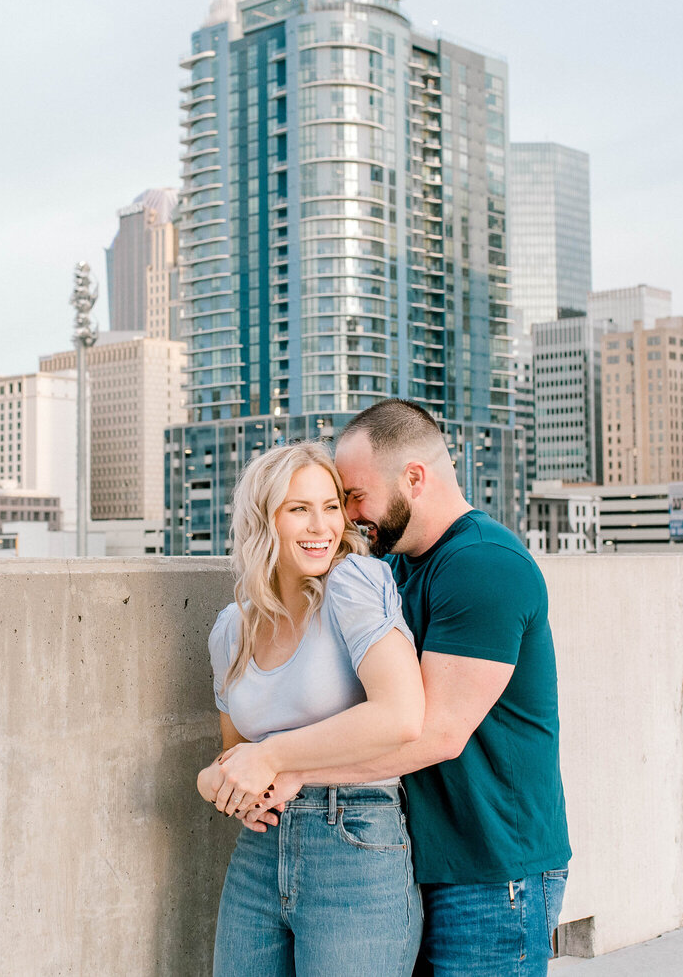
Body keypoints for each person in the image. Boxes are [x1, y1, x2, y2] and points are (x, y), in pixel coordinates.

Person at [242, 400, 571, 976]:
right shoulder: (397, 568)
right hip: (425, 858)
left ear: (413, 479)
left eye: (353, 496)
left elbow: (437, 733)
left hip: (492, 872)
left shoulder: (483, 565)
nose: (347, 515)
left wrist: (290, 769)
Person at [198, 440, 426, 976]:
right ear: (264, 520)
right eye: (299, 509)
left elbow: (402, 715)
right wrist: (215, 784)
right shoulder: (232, 628)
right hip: (258, 852)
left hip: (355, 839)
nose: (321, 527)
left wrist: (275, 758)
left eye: (330, 507)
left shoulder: (354, 584)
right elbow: (234, 756)